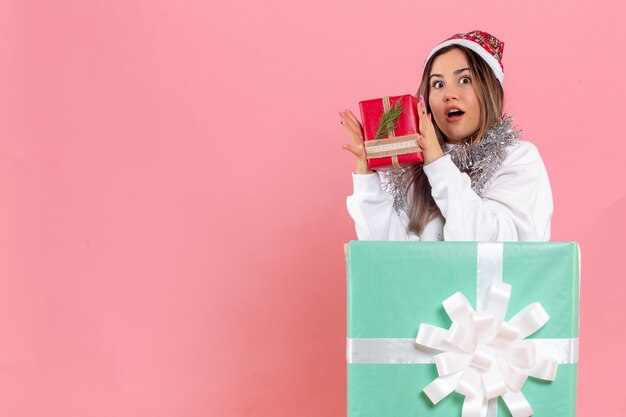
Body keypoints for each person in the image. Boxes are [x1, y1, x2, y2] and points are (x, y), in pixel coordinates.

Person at [340, 30, 553, 242]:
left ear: (490, 89)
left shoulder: (518, 158)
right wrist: (366, 175)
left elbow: (494, 249)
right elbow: (384, 259)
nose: (449, 94)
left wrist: (437, 162)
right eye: (438, 84)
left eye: (465, 80)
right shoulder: (411, 172)